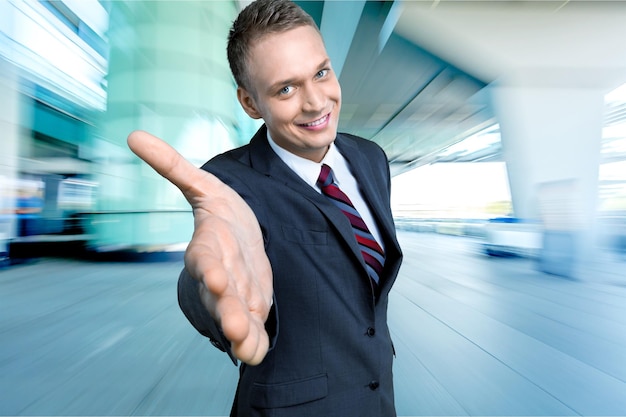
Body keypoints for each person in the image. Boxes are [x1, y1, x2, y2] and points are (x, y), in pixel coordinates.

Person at [127, 0, 403, 415]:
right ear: (251, 104)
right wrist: (210, 295)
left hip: (378, 401)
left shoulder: (370, 158)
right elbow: (216, 257)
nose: (316, 102)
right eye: (286, 89)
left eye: (321, 73)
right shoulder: (228, 182)